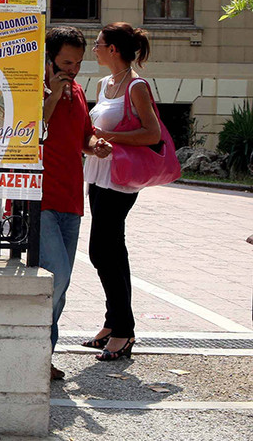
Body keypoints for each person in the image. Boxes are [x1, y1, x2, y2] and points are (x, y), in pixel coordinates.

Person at [81, 22, 158, 361]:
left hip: (122, 178)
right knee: (110, 250)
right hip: (98, 173)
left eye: (98, 44)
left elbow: (152, 134)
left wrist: (108, 137)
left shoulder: (136, 86)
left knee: (102, 250)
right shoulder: (103, 84)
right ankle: (114, 323)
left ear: (112, 49)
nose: (94, 49)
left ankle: (124, 330)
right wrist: (95, 140)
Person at [40, 26, 110, 380]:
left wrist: (96, 145)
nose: (73, 69)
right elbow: (33, 128)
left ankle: (43, 356)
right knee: (56, 276)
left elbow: (84, 136)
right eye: (67, 63)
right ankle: (34, 350)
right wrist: (53, 92)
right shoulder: (36, 88)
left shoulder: (79, 91)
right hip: (40, 198)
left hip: (71, 198)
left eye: (78, 63)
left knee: (61, 286)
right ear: (50, 59)